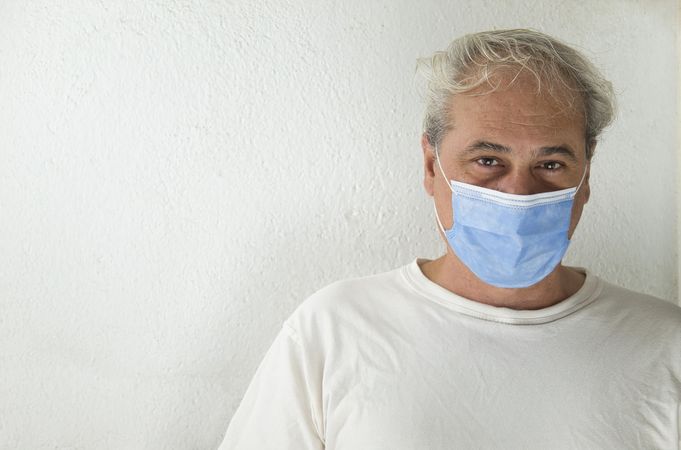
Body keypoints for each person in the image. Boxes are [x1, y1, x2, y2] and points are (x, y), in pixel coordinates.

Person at [219, 29, 681, 449]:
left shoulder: (665, 343)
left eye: (551, 165)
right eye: (487, 160)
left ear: (586, 176)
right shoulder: (334, 330)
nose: (518, 192)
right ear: (430, 165)